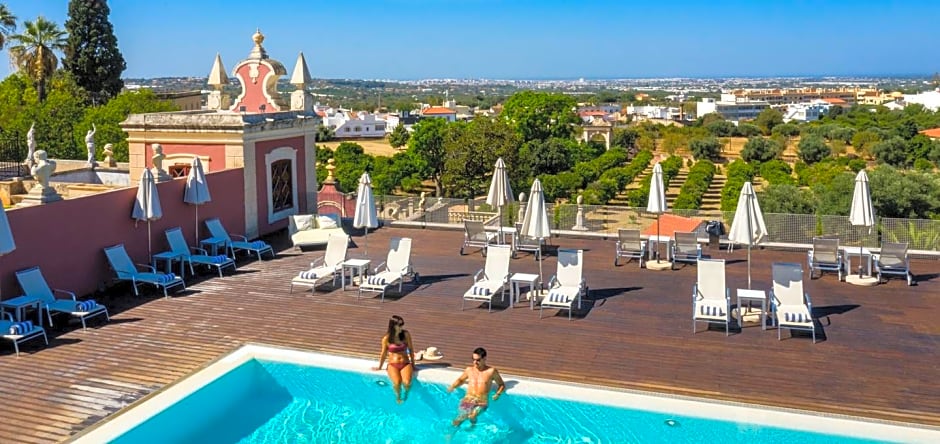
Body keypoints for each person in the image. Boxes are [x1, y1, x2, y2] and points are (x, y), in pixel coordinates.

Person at [447, 347, 506, 427]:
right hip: (468, 399)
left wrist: (498, 394)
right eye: (473, 359)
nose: (475, 362)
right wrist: (453, 386)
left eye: (478, 360)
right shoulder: (469, 370)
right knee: (458, 420)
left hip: (481, 402)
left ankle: (473, 424)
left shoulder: (491, 371)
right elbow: (461, 380)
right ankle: (449, 435)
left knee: (472, 415)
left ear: (484, 358)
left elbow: (501, 384)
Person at [371, 315, 416, 404]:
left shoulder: (406, 334)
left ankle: (406, 396)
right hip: (393, 364)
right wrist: (379, 367)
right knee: (397, 383)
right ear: (393, 326)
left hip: (406, 363)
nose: (401, 327)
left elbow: (411, 349)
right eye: (399, 325)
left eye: (402, 325)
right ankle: (398, 397)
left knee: (406, 383)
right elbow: (383, 353)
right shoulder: (386, 338)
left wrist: (413, 364)